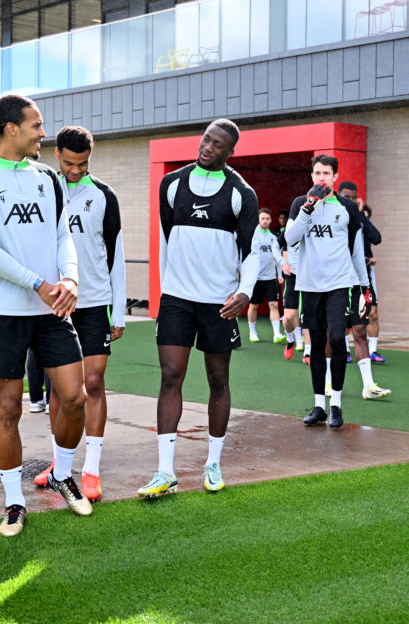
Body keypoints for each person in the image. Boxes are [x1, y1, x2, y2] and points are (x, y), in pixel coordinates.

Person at [0, 95, 92, 537]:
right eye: (36, 125)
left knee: (75, 398)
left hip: (52, 307)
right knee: (8, 410)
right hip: (6, 310)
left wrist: (69, 280)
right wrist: (38, 282)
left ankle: (62, 473)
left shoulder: (49, 178)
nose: (42, 132)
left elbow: (62, 236)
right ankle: (14, 502)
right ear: (11, 129)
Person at [138, 118, 259, 498]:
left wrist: (245, 290)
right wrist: (163, 292)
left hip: (219, 303)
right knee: (170, 376)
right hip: (177, 299)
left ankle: (213, 464)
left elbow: (252, 250)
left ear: (230, 152)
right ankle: (164, 472)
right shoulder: (171, 185)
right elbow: (164, 240)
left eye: (218, 144)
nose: (208, 147)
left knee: (218, 380)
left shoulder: (242, 193)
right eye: (207, 139)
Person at [31, 126, 125, 504]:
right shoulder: (43, 189)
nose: (75, 170)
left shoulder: (104, 195)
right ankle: (60, 467)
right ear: (56, 154)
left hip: (94, 301)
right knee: (60, 388)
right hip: (55, 303)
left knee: (93, 382)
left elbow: (115, 255)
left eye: (83, 164)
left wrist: (117, 311)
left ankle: (91, 470)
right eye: (69, 163)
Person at [285, 155, 369, 429]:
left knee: (337, 338)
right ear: (311, 176)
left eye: (326, 173)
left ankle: (336, 404)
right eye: (317, 173)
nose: (321, 178)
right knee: (316, 343)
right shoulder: (301, 203)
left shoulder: (346, 207)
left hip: (339, 284)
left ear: (335, 176)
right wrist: (309, 207)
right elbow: (291, 238)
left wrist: (364, 288)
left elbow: (357, 250)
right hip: (310, 286)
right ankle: (319, 404)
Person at [336, 181, 391, 400]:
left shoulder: (358, 220)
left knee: (360, 331)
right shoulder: (333, 218)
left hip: (358, 283)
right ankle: (330, 383)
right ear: (339, 196)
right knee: (336, 336)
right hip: (336, 285)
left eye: (354, 197)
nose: (350, 200)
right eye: (346, 197)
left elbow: (376, 238)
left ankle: (368, 386)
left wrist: (360, 214)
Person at [246, 209, 285, 343]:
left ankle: (277, 334)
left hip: (270, 279)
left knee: (274, 304)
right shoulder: (253, 236)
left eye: (267, 218)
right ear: (258, 219)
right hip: (256, 278)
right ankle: (252, 332)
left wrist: (280, 275)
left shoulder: (274, 238)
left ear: (271, 220)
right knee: (254, 306)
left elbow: (278, 258)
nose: (265, 221)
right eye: (262, 218)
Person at [361, 204, 386, 364]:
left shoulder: (367, 230)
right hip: (348, 275)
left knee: (373, 313)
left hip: (366, 274)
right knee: (345, 315)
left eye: (365, 216)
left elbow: (377, 239)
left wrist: (368, 261)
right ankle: (344, 350)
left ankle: (373, 351)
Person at [278, 214, 305, 360]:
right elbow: (276, 245)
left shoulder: (315, 226)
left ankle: (307, 351)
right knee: (288, 318)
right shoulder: (291, 227)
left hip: (309, 277)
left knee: (307, 317)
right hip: (292, 277)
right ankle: (290, 340)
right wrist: (282, 262)